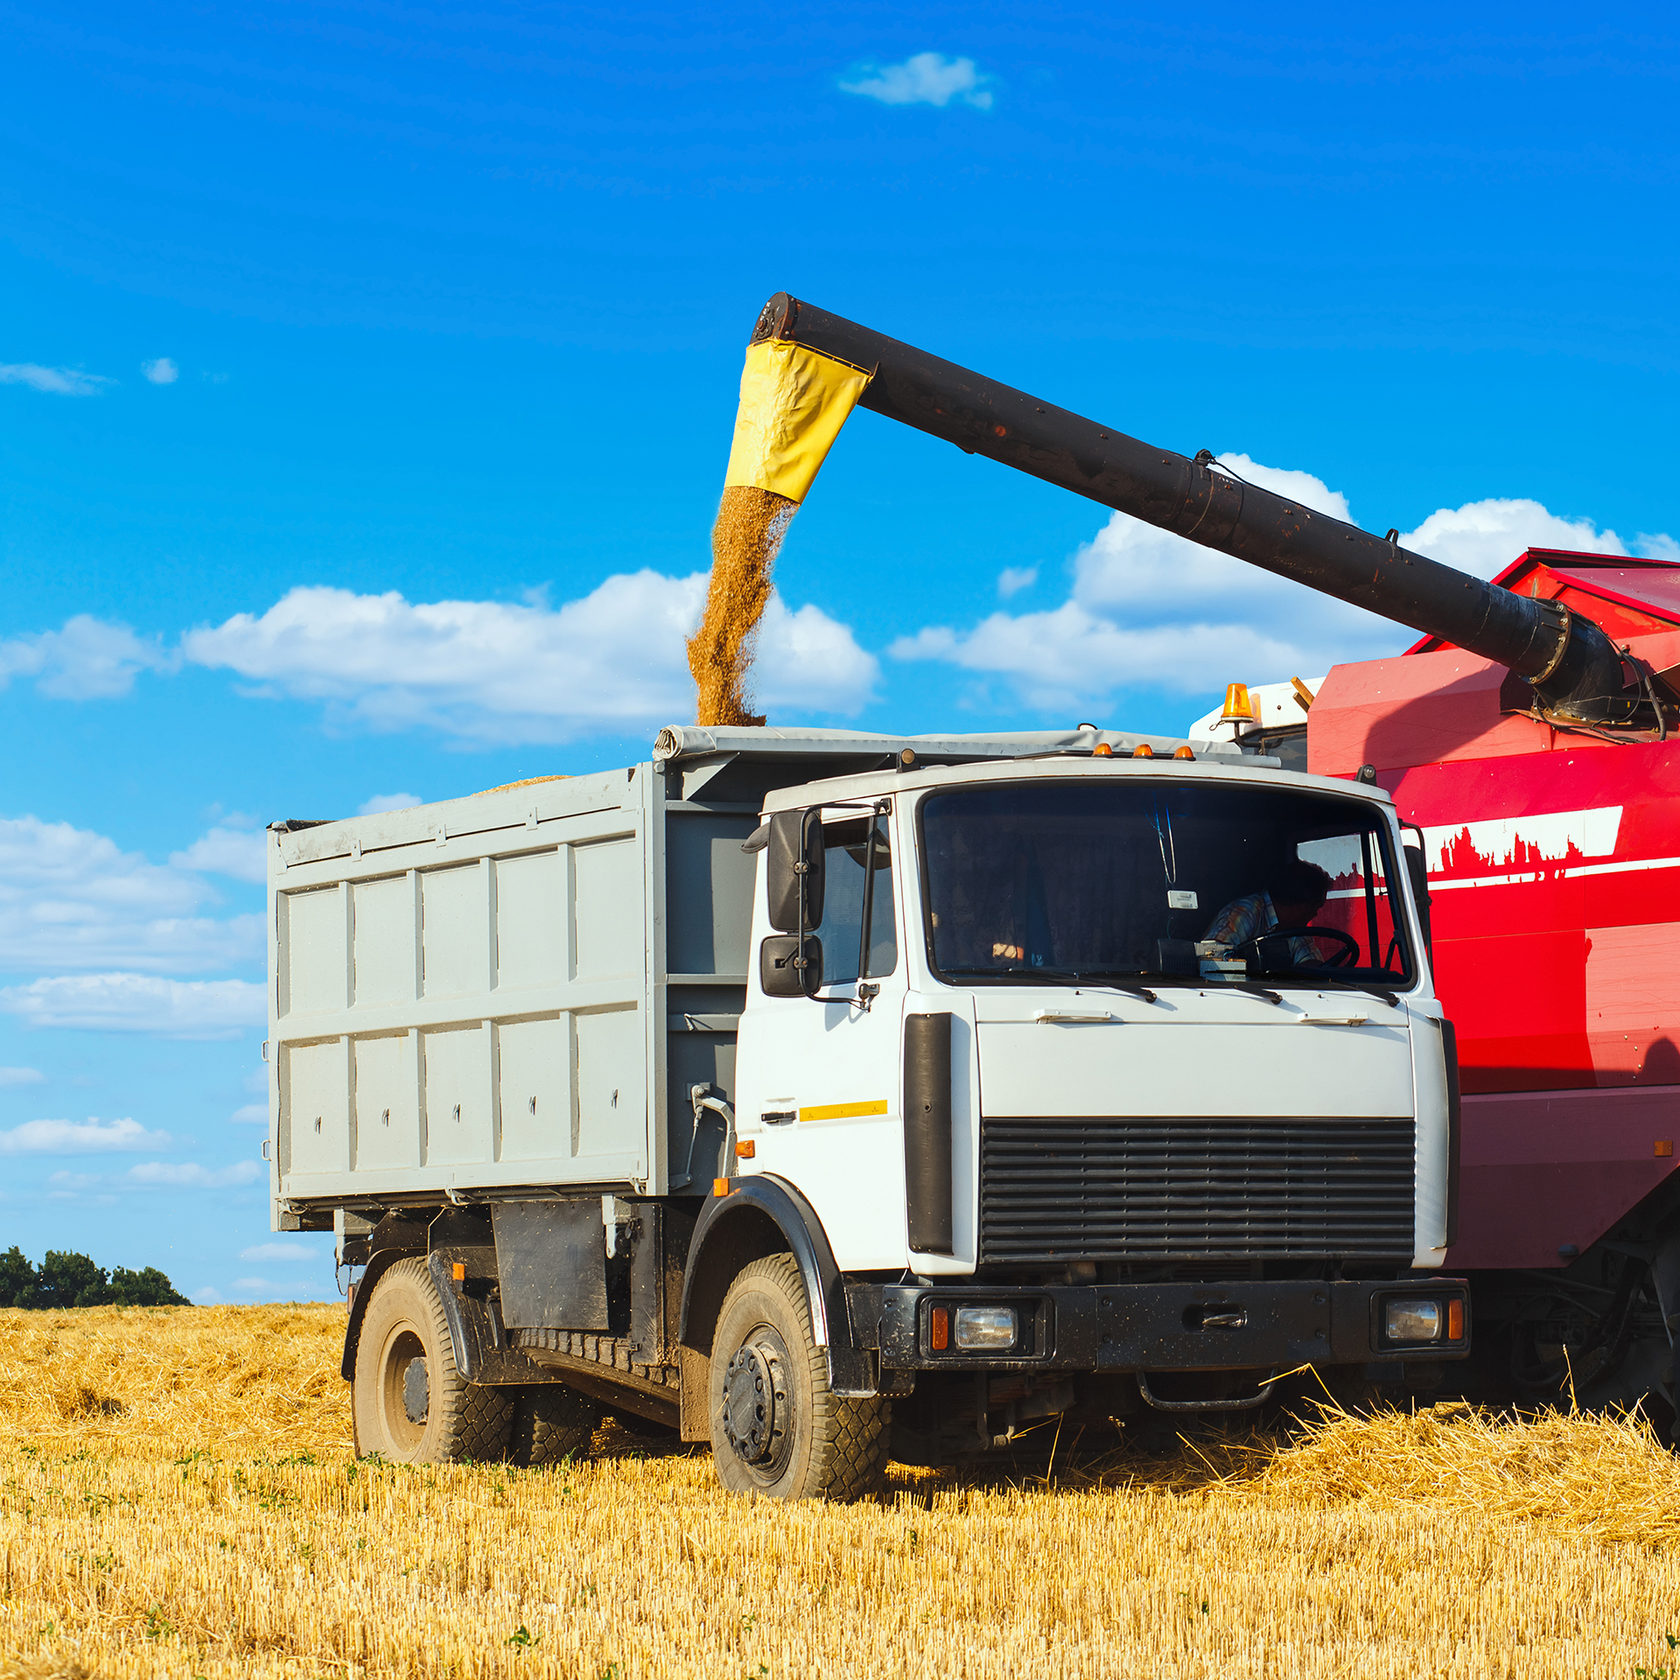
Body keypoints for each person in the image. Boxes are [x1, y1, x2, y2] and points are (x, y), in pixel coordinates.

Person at [1203, 858, 1335, 967]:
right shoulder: (1246, 911)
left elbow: (1311, 965)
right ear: (1301, 906)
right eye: (1315, 907)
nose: (1315, 914)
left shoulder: (1295, 929)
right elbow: (1210, 957)